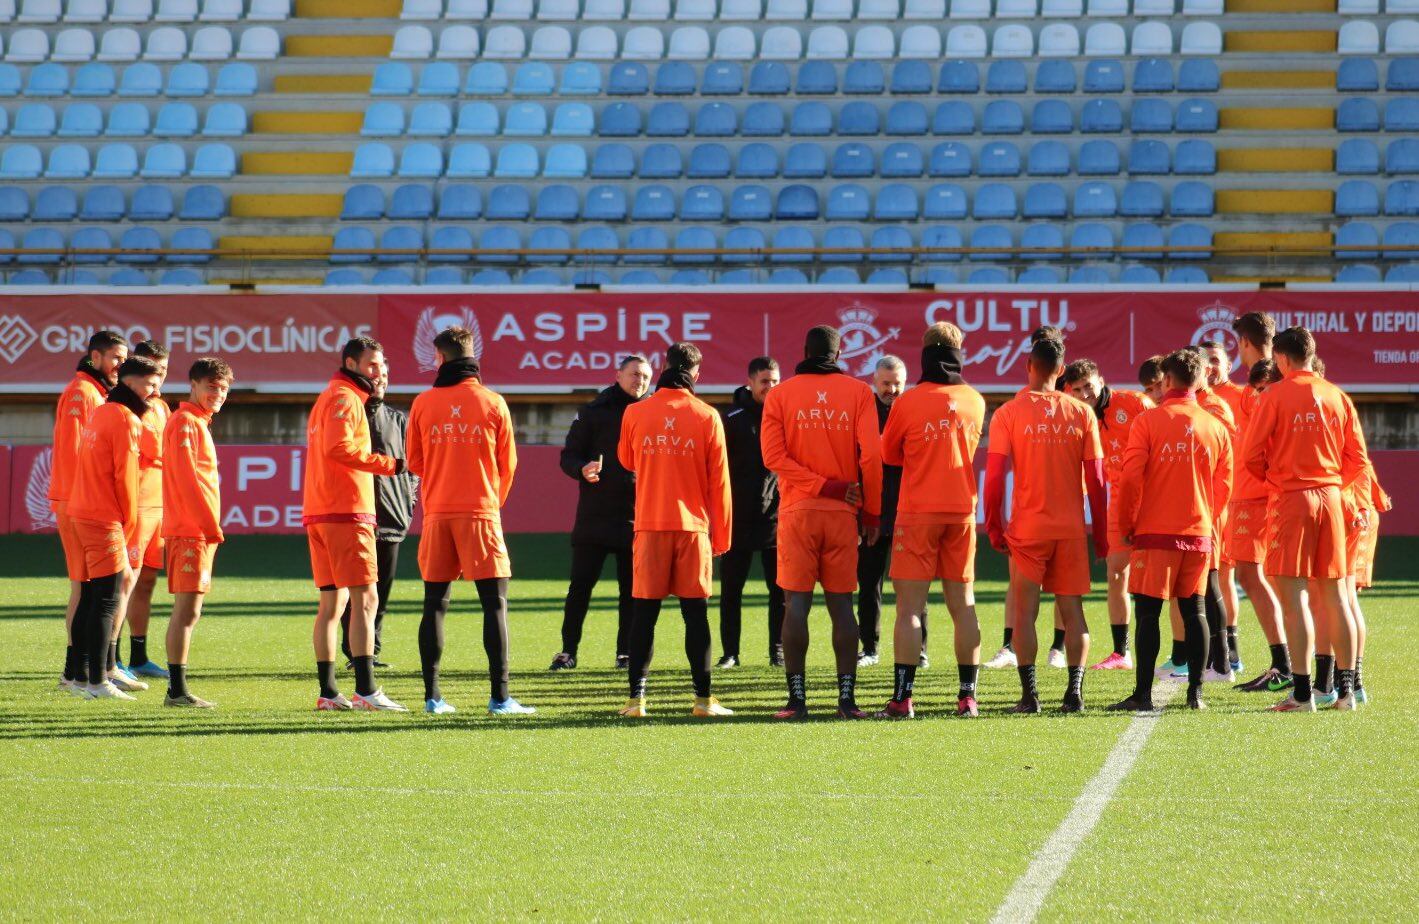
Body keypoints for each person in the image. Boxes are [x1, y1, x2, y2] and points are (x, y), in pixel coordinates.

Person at [1243, 327, 1371, 712]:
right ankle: (1347, 692)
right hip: (1333, 497)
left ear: (1281, 359)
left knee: (1294, 596)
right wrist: (1331, 484)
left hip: (1292, 498)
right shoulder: (1338, 396)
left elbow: (1250, 456)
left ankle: (1302, 693)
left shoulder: (1274, 395)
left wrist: (1281, 480)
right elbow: (1359, 460)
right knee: (1336, 596)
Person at [407, 326, 532, 716]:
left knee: (434, 605)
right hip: (480, 511)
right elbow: (507, 465)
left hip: (438, 514)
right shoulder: (493, 403)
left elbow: (414, 462)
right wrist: (490, 503)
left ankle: (432, 697)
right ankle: (500, 697)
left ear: (440, 359)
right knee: (494, 605)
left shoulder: (423, 403)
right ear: (473, 356)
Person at [761, 325, 883, 720]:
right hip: (843, 514)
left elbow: (773, 458)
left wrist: (818, 486)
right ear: (838, 353)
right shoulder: (860, 392)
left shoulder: (780, 394)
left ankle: (796, 701)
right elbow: (871, 458)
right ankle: (847, 701)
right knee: (842, 605)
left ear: (804, 350)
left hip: (798, 513)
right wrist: (872, 511)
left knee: (795, 604)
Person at [984, 336, 1108, 714]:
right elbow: (1098, 481)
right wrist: (1101, 535)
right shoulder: (1082, 413)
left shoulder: (1008, 413)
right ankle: (1074, 693)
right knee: (1073, 612)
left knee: (1025, 612)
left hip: (1027, 529)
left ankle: (1030, 696)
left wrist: (993, 525)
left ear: (1028, 366)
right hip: (1069, 529)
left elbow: (993, 478)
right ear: (1060, 371)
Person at [1108, 349, 1232, 712]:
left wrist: (1127, 522)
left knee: (1148, 613)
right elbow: (1225, 486)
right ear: (1198, 381)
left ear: (1166, 381)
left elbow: (1131, 478)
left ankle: (1143, 694)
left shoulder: (1148, 422)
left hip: (1154, 532)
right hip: (1199, 532)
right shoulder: (1216, 428)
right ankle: (1196, 694)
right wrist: (1207, 517)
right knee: (1195, 611)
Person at [616, 342, 733, 718]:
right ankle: (702, 701)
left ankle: (636, 701)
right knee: (695, 615)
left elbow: (626, 459)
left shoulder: (636, 412)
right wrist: (723, 535)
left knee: (644, 615)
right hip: (692, 528)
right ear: (696, 374)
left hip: (649, 526)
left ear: (664, 366)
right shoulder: (707, 416)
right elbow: (720, 482)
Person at [875, 323, 986, 719]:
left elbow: (889, 455)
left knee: (908, 608)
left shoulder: (908, 402)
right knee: (964, 605)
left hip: (917, 513)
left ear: (924, 352)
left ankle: (903, 699)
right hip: (961, 512)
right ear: (960, 351)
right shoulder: (975, 400)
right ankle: (967, 697)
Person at [304, 337, 406, 712]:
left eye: (383, 365)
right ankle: (366, 690)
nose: (379, 372)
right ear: (351, 363)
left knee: (333, 601)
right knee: (367, 598)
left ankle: (329, 692)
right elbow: (339, 449)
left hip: (321, 510)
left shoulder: (328, 397)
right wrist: (389, 464)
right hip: (345, 511)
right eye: (373, 364)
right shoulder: (346, 398)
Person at [66, 355, 164, 700]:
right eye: (150, 384)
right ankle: (98, 681)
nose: (154, 391)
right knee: (107, 598)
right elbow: (124, 477)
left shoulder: (104, 410)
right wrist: (128, 520)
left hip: (85, 510)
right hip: (103, 515)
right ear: (131, 382)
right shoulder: (125, 418)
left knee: (94, 594)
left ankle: (80, 677)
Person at [549, 355, 651, 671]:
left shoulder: (653, 413)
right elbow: (568, 456)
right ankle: (568, 652)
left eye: (646, 377)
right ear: (618, 375)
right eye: (635, 374)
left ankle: (626, 654)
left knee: (631, 593)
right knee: (580, 588)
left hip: (636, 517)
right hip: (594, 517)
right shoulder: (594, 411)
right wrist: (582, 469)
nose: (640, 381)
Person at [1063, 359, 1154, 672]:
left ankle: (1186, 654)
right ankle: (1121, 652)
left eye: (1089, 385)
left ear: (1100, 379)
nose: (1086, 393)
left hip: (1152, 500)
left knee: (1161, 579)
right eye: (1078, 389)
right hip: (1116, 503)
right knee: (1117, 573)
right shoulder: (1076, 417)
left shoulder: (1134, 403)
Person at [51, 330, 128, 695]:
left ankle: (80, 672)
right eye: (115, 357)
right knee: (86, 590)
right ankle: (77, 672)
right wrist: (87, 497)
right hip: (76, 501)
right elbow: (75, 450)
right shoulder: (82, 393)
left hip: (78, 500)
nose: (120, 365)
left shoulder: (94, 392)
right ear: (95, 357)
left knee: (88, 588)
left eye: (124, 359)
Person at [160, 357, 234, 708]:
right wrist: (208, 526)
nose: (218, 394)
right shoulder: (187, 422)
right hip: (191, 531)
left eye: (223, 388)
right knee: (186, 610)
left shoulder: (195, 422)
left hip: (194, 529)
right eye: (211, 387)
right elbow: (188, 480)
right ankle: (176, 690)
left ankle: (177, 689)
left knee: (190, 610)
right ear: (194, 385)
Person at [338, 365, 417, 669]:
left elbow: (412, 469)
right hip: (357, 517)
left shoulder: (400, 420)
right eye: (375, 375)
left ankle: (372, 651)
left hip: (392, 518)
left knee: (380, 593)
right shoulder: (349, 415)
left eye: (385, 375)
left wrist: (408, 501)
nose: (380, 380)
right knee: (354, 592)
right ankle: (355, 653)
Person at [856, 355, 929, 670]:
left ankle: (920, 649)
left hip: (908, 510)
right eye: (886, 383)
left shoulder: (913, 409)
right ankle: (870, 648)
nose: (892, 389)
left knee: (913, 584)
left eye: (898, 383)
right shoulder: (863, 411)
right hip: (872, 509)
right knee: (869, 582)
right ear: (875, 381)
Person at [717, 356, 785, 669]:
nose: (770, 388)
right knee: (731, 590)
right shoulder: (730, 418)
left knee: (780, 590)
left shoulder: (787, 416)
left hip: (776, 517)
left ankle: (778, 651)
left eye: (774, 381)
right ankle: (730, 653)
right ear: (750, 382)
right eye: (764, 382)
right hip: (737, 519)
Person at [120, 339, 172, 681]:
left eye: (164, 371)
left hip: (159, 504)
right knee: (125, 580)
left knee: (147, 581)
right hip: (136, 504)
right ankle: (111, 659)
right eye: (153, 370)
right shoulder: (126, 408)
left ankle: (138, 655)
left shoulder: (163, 407)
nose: (159, 377)